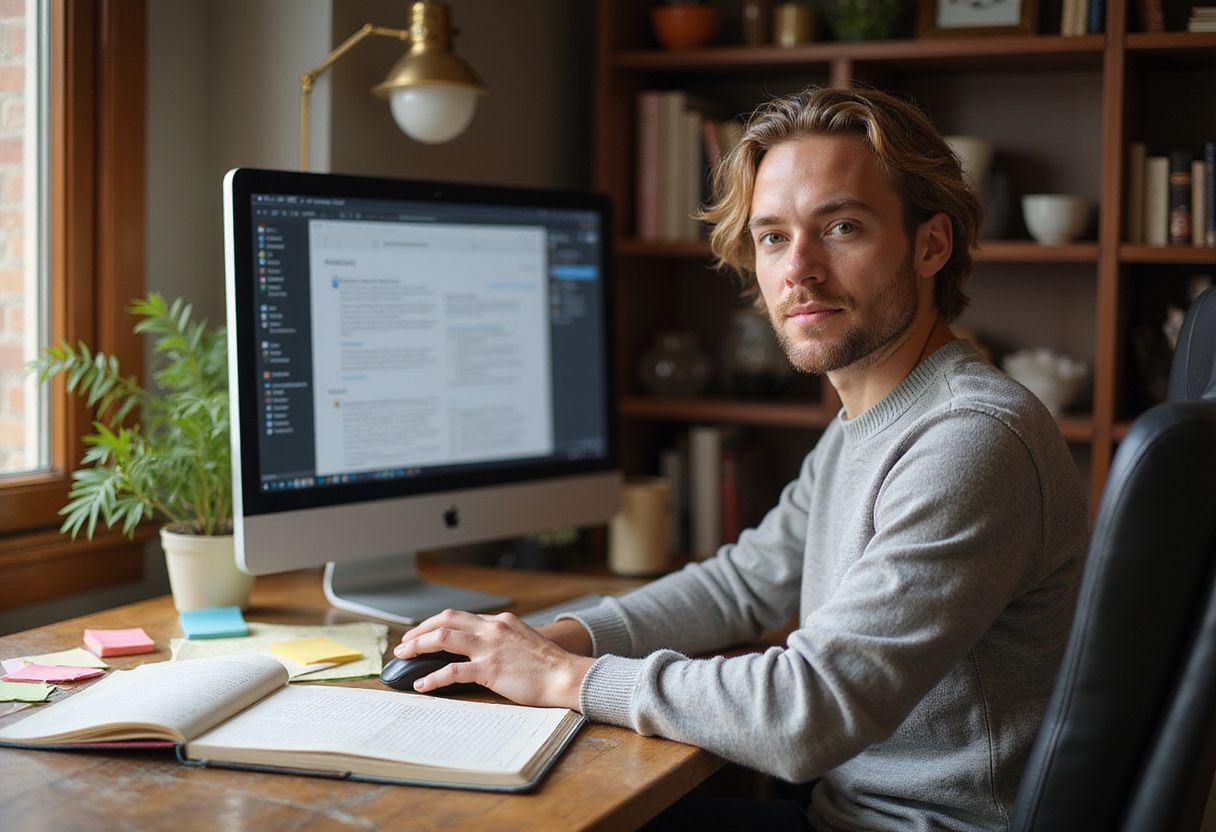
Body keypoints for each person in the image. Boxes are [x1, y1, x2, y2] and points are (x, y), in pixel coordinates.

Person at [393, 85, 1090, 831]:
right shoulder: (873, 417)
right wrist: (561, 637)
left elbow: (805, 714)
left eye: (842, 227)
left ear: (931, 245)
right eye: (772, 237)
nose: (801, 270)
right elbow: (741, 586)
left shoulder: (969, 440)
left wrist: (566, 677)